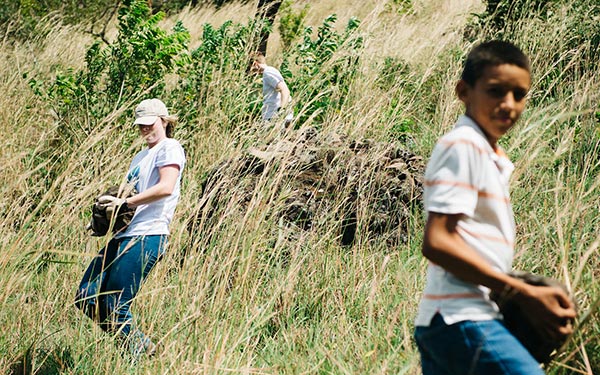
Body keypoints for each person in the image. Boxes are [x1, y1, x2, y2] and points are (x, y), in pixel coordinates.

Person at [413, 40, 577, 374]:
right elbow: (437, 242)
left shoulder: (488, 156)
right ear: (464, 91)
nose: (508, 104)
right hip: (462, 318)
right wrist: (521, 293)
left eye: (519, 95)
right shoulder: (463, 146)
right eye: (495, 91)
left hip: (450, 319)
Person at [75, 98, 186, 360]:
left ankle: (139, 355)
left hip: (149, 233)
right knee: (86, 295)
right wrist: (104, 217)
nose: (145, 129)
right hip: (124, 233)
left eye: (150, 124)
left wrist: (125, 201)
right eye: (141, 126)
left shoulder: (170, 147)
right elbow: (128, 196)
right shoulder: (140, 156)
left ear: (164, 121)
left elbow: (165, 187)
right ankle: (139, 346)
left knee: (115, 304)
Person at [249, 52, 292, 123]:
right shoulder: (269, 72)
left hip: (274, 118)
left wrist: (282, 110)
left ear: (255, 64)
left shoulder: (268, 72)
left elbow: (285, 90)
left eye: (251, 68)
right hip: (274, 117)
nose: (252, 71)